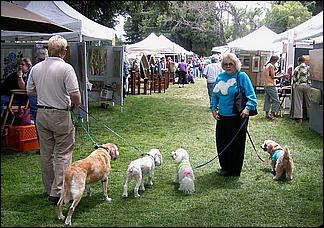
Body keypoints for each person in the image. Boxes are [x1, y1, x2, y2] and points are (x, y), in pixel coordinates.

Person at [26, 35, 81, 204]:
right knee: (63, 154)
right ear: (64, 51)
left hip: (41, 114)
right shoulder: (66, 69)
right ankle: (58, 191)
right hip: (60, 114)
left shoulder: (36, 68)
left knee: (46, 154)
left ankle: (49, 188)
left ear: (48, 50)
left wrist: (46, 94)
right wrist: (73, 105)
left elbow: (29, 91)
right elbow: (75, 95)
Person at [210, 53, 257, 177]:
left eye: (231, 64)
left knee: (236, 145)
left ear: (236, 64)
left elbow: (252, 97)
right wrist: (213, 109)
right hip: (222, 117)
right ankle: (225, 167)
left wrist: (247, 109)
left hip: (237, 117)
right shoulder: (220, 77)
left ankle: (234, 170)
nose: (228, 66)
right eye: (225, 64)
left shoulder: (241, 76)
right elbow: (215, 95)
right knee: (221, 143)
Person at [290, 56, 311, 123]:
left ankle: (299, 119)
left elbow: (294, 78)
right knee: (309, 102)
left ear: (299, 62)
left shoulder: (297, 68)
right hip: (307, 85)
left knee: (298, 102)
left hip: (298, 86)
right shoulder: (308, 68)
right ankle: (310, 117)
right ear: (304, 61)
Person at [263, 55, 282, 120]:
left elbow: (269, 75)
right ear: (275, 60)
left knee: (267, 100)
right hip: (270, 84)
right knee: (276, 100)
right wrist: (282, 76)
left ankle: (267, 114)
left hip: (266, 84)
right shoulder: (271, 66)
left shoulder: (267, 65)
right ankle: (272, 114)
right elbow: (273, 77)